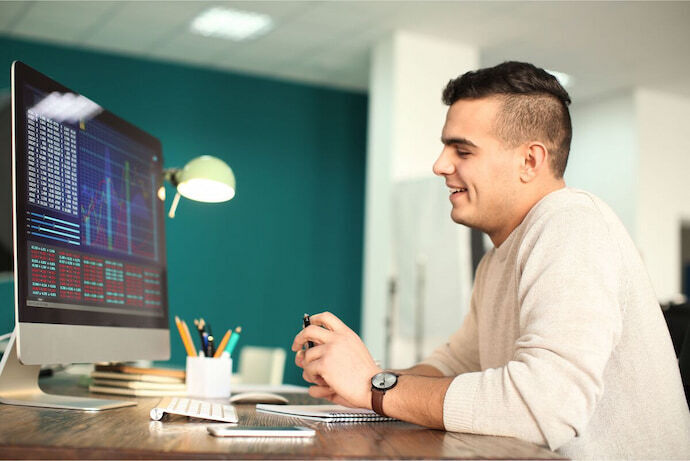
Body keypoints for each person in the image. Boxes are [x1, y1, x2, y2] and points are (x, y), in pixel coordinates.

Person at [291, 61, 690, 459]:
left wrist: (373, 387)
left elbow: (544, 407)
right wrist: (358, 377)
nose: (440, 165)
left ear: (530, 161)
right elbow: (454, 365)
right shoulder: (498, 259)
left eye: (462, 150)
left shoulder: (572, 223)